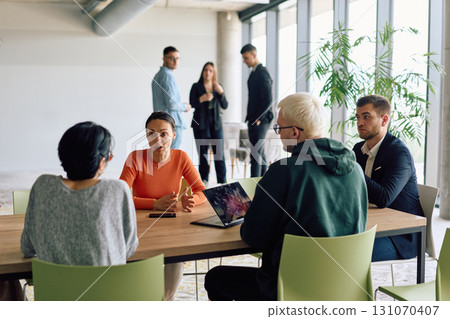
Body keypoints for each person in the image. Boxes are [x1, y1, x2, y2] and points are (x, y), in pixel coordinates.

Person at [204, 93, 368, 300]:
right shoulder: (355, 170)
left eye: (279, 128)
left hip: (288, 286)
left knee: (215, 277)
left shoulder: (284, 171)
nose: (278, 134)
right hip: (342, 283)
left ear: (294, 131)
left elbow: (253, 237)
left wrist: (254, 211)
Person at [21, 122, 138, 266]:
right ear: (102, 162)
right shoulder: (117, 190)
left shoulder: (42, 185)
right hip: (108, 286)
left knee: (6, 282)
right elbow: (129, 249)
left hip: (55, 287)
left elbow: (27, 248)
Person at [119, 111, 206, 300]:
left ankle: (166, 300)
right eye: (151, 133)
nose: (157, 139)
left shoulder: (181, 157)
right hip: (140, 226)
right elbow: (121, 196)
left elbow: (201, 189)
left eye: (164, 134)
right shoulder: (135, 158)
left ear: (174, 135)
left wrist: (193, 200)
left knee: (177, 256)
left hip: (172, 226)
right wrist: (154, 204)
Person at [352, 94, 424, 261]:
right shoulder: (358, 150)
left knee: (350, 254)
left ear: (384, 120)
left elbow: (384, 198)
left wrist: (353, 169)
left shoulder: (399, 153)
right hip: (369, 224)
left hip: (400, 236)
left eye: (366, 117)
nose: (360, 123)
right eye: (358, 117)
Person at [189, 62, 228, 184]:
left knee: (219, 155)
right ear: (203, 71)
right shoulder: (196, 86)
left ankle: (222, 182)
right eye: (206, 70)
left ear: (214, 72)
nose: (208, 73)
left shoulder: (218, 86)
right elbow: (192, 103)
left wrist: (221, 92)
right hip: (201, 125)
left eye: (211, 70)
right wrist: (202, 99)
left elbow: (225, 105)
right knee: (203, 155)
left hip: (216, 125)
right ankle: (204, 181)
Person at [240, 43, 273, 177]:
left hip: (261, 119)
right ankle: (262, 184)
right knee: (259, 154)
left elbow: (268, 99)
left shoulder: (262, 73)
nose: (244, 61)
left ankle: (253, 187)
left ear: (254, 55)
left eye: (246, 58)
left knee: (256, 153)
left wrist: (259, 118)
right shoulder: (254, 73)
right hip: (254, 119)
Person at [152, 46, 191, 149]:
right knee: (172, 156)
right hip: (170, 123)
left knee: (163, 155)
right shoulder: (167, 76)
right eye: (172, 58)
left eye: (177, 58)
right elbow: (172, 103)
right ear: (164, 58)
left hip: (160, 122)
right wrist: (185, 107)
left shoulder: (157, 76)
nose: (175, 61)